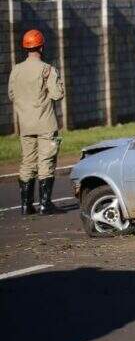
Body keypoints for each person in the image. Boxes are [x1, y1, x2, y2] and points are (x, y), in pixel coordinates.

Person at [8, 29, 65, 215]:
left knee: (27, 163)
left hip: (25, 124)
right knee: (46, 161)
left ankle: (26, 205)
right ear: (41, 46)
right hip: (45, 124)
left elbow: (11, 95)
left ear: (26, 47)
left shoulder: (16, 70)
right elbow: (57, 94)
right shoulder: (47, 69)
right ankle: (45, 204)